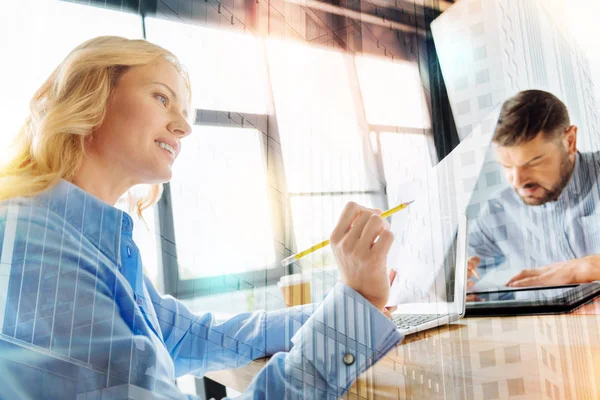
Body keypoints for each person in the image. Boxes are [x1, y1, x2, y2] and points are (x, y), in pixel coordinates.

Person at [0, 36, 403, 399]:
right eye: (161, 98)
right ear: (90, 96)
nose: (184, 125)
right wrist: (351, 315)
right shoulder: (39, 248)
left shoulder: (80, 236)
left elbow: (189, 337)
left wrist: (350, 306)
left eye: (183, 109)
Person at [467, 90, 600, 290]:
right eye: (507, 166)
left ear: (570, 141)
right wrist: (459, 287)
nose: (518, 181)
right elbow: (458, 277)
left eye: (533, 162)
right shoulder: (498, 211)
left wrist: (583, 268)